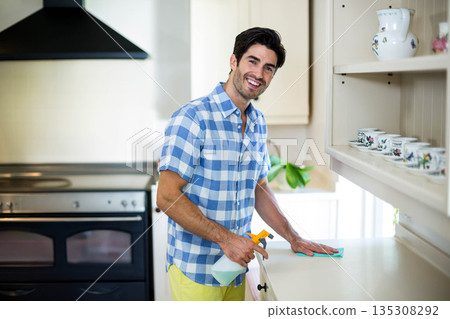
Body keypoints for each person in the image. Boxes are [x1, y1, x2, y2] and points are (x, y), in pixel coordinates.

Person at [156, 27, 338, 301]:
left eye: (269, 68)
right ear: (234, 61)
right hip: (196, 269)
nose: (259, 74)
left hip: (233, 267)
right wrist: (227, 239)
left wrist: (294, 237)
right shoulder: (193, 117)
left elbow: (259, 188)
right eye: (252, 61)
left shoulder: (257, 122)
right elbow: (167, 195)